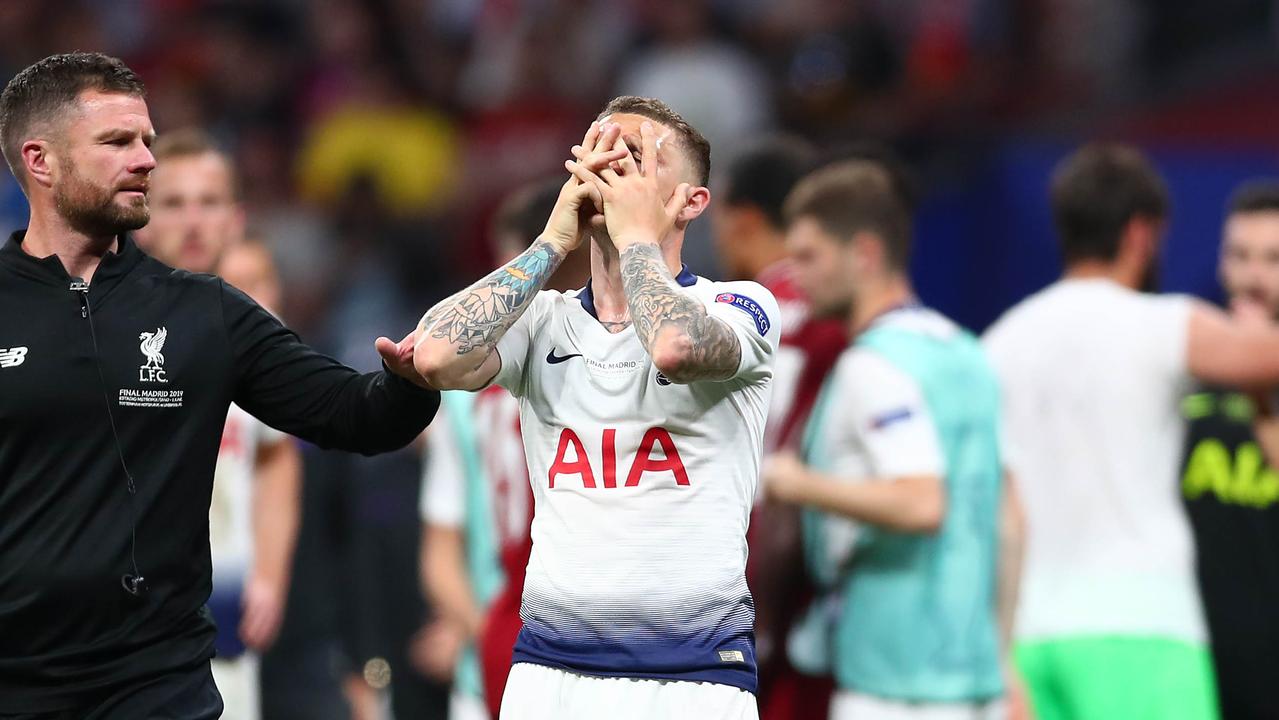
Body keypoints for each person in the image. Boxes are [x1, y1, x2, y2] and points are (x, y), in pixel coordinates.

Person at [0, 52, 438, 719]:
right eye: (118, 142)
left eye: (147, 139)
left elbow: (359, 416)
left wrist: (412, 376)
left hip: (159, 685)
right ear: (40, 161)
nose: (146, 159)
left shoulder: (206, 310)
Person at [414, 97, 780, 719]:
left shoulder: (740, 306)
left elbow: (672, 346)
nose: (614, 170)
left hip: (692, 677)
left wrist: (636, 238)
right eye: (600, 152)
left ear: (691, 201)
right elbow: (434, 357)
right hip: (548, 671)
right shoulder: (544, 323)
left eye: (638, 158)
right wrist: (553, 240)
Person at [982, 144, 1279, 720]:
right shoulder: (1165, 325)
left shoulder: (997, 345)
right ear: (1143, 234)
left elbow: (999, 512)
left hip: (1032, 638)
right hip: (1142, 631)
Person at [760, 159, 1021, 720]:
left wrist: (796, 481)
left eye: (809, 256)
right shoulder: (965, 352)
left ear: (865, 254)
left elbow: (921, 502)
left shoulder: (871, 367)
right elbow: (1008, 518)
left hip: (892, 684)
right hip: (975, 678)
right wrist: (1004, 658)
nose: (795, 275)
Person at [137, 128, 303, 720]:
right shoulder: (108, 320)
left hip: (223, 622)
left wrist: (270, 574)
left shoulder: (252, 336)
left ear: (235, 217)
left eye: (208, 203)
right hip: (126, 635)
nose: (193, 223)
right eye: (174, 203)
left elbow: (277, 456)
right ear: (143, 213)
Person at [415, 177, 588, 720]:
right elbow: (441, 550)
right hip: (507, 657)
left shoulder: (467, 394)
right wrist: (488, 630)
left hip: (564, 656)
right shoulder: (467, 401)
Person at [713, 136, 844, 720]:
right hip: (828, 573)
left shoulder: (722, 314)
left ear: (742, 221)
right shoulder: (841, 314)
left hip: (737, 569)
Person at [1180, 181, 1279, 720]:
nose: (1253, 277)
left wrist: (1256, 381)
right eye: (1239, 256)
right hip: (1195, 652)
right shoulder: (1187, 371)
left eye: (1273, 260)